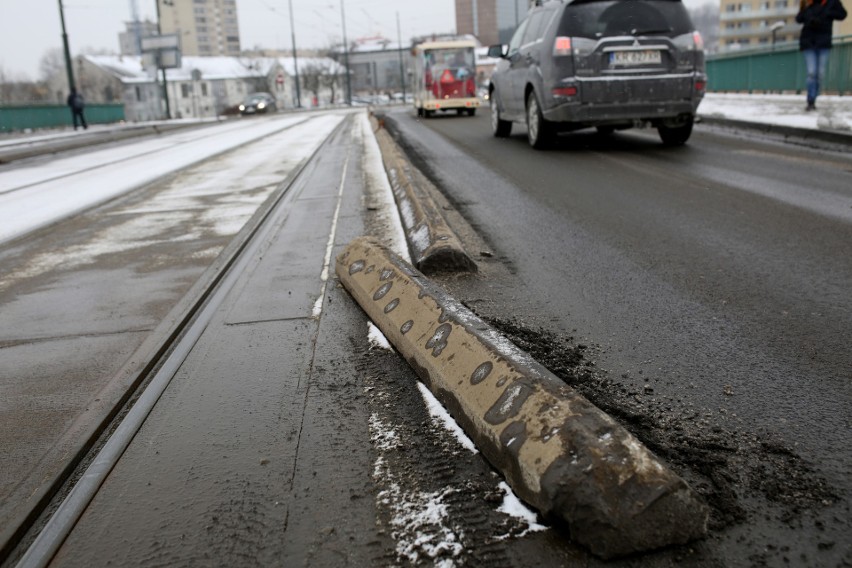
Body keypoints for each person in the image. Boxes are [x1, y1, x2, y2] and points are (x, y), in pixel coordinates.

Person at [796, 0, 847, 111]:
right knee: (811, 72)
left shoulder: (831, 3)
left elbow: (842, 15)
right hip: (808, 42)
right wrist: (806, 11)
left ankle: (814, 95)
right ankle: (811, 100)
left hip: (823, 43)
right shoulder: (809, 2)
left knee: (820, 74)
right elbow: (798, 19)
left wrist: (828, 14)